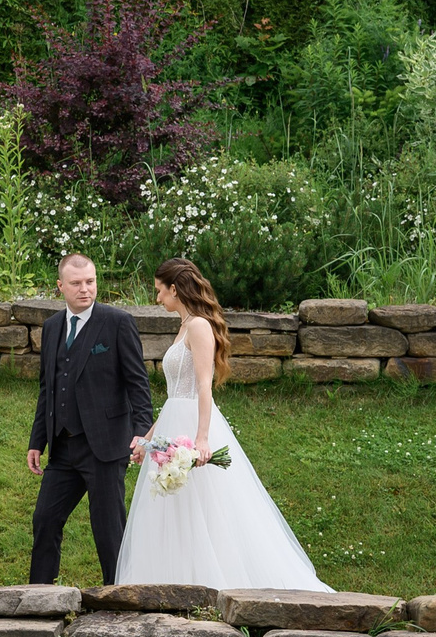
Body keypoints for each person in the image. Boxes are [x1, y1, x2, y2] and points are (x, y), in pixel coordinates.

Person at [113, 255, 328, 590]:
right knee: (173, 514)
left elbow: (202, 385)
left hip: (192, 428)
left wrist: (201, 439)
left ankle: (213, 584)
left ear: (174, 289)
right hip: (173, 424)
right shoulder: (183, 327)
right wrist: (148, 440)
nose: (157, 299)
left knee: (204, 511)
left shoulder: (198, 326)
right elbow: (174, 395)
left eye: (159, 291)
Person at [26, 252, 155, 585]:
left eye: (90, 282)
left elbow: (138, 383)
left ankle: (120, 599)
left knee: (108, 531)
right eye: (76, 283)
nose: (85, 289)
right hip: (63, 448)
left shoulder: (117, 322)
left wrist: (142, 433)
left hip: (107, 445)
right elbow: (48, 389)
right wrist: (37, 441)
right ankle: (39, 598)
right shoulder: (52, 328)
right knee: (45, 519)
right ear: (60, 287)